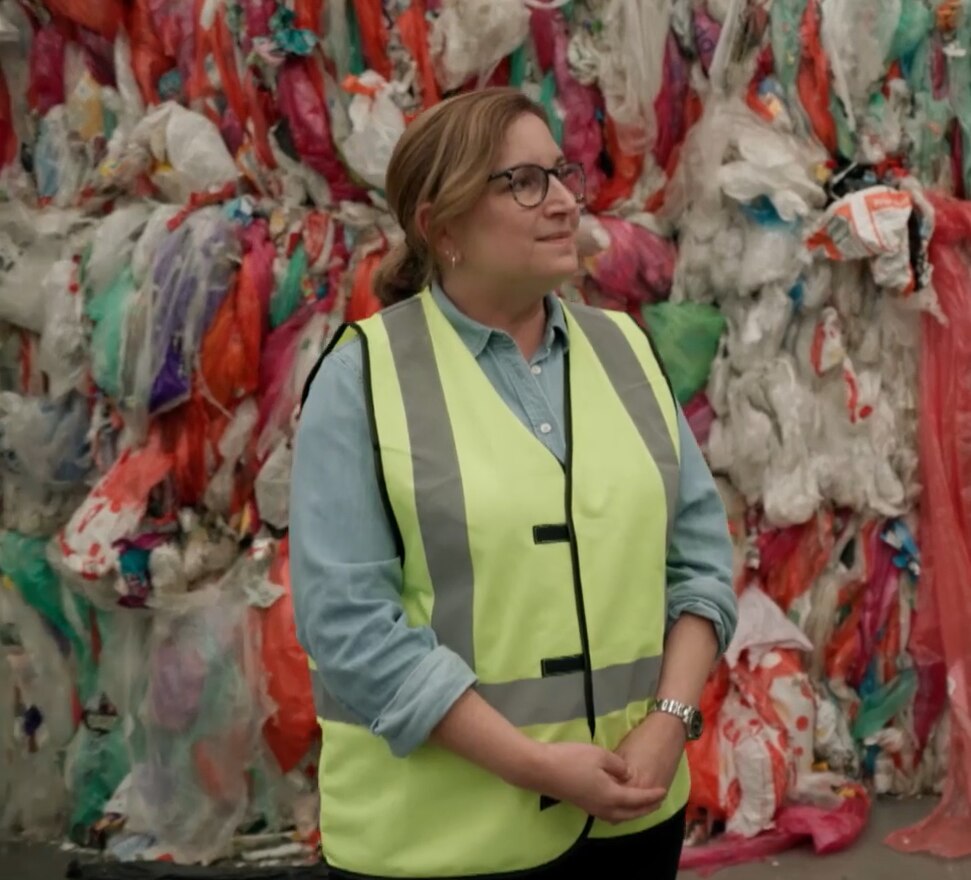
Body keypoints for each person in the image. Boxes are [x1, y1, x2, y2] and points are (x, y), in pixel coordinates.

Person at [290, 87, 738, 880]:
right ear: (442, 227)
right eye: (523, 182)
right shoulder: (364, 374)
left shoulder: (624, 349)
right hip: (439, 845)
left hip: (631, 821)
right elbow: (349, 625)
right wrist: (534, 765)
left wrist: (670, 721)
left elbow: (698, 561)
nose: (564, 201)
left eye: (561, 173)